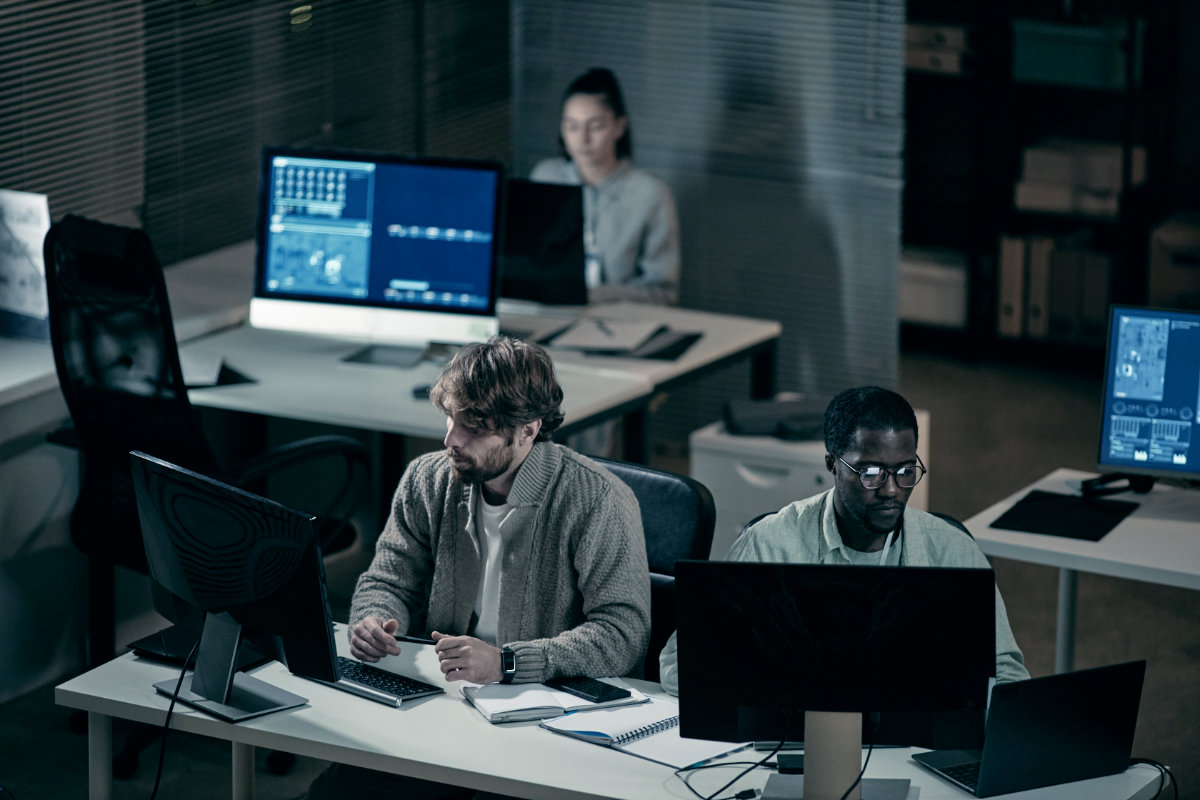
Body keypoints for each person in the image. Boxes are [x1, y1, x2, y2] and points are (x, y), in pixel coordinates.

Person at [308, 335, 651, 799]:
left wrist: (507, 662)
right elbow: (388, 579)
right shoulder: (427, 479)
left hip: (545, 721)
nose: (451, 439)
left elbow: (623, 635)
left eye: (473, 428)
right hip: (441, 704)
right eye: (450, 418)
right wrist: (374, 619)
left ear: (527, 430)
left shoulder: (598, 501)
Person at [658, 386, 1029, 696]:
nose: (891, 489)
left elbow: (1007, 675)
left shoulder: (954, 552)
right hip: (798, 738)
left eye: (905, 471)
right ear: (832, 464)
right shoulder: (768, 544)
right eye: (871, 472)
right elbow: (680, 664)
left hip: (917, 743)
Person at [531, 67, 680, 306]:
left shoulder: (650, 194)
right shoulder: (546, 178)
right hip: (549, 310)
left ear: (619, 127)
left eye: (595, 126)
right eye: (572, 126)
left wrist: (595, 295)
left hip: (621, 317)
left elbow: (662, 292)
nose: (583, 139)